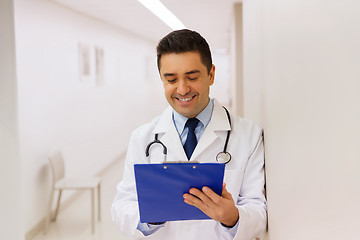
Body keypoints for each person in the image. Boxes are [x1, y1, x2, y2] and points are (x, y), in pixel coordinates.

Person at [111, 29, 267, 240]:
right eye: (171, 80)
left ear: (211, 74)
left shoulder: (248, 135)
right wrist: (149, 218)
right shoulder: (142, 138)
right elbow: (122, 205)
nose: (183, 89)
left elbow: (258, 209)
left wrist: (233, 217)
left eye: (192, 77)